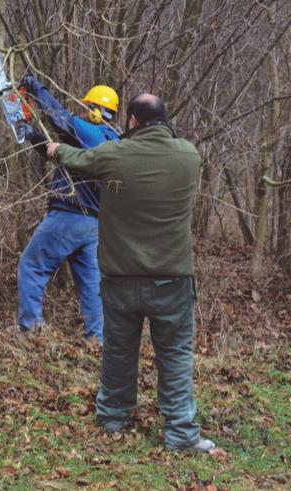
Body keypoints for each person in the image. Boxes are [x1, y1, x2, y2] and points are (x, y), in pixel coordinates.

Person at [47, 93, 215, 452]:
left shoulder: (114, 155)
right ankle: (182, 434)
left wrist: (52, 149)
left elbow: (76, 159)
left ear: (133, 122)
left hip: (121, 278)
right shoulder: (188, 155)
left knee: (119, 351)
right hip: (172, 280)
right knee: (175, 354)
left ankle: (112, 418)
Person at [12, 74, 120, 342]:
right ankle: (98, 340)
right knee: (91, 286)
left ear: (97, 112)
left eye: (87, 108)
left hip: (70, 215)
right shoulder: (111, 142)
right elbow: (59, 151)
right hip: (93, 224)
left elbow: (61, 119)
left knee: (31, 266)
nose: (82, 111)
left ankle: (30, 329)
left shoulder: (92, 132)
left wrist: (37, 89)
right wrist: (32, 136)